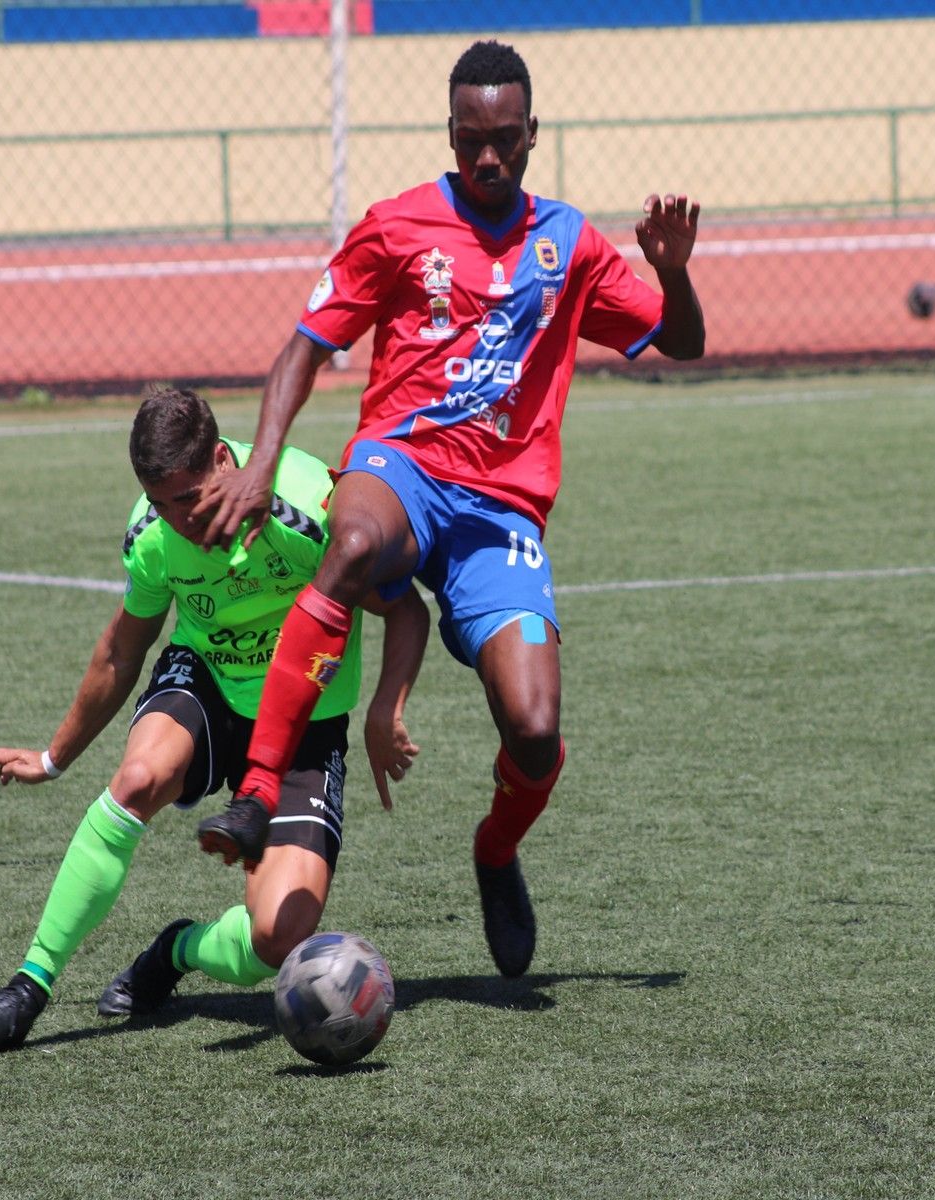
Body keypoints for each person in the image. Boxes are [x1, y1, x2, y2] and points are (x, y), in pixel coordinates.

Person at [188, 39, 705, 981]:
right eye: (473, 141)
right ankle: (259, 790)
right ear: (451, 134)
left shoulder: (572, 244)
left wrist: (671, 272)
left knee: (537, 728)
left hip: (501, 510)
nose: (489, 159)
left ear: (532, 134)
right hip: (404, 465)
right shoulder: (396, 226)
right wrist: (261, 461)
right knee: (349, 541)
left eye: (506, 140)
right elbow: (303, 349)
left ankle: (497, 850)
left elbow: (684, 342)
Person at [0, 385, 428, 1054]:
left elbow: (406, 608)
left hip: (305, 722)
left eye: (187, 499)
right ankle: (29, 985)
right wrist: (52, 757)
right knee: (140, 776)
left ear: (224, 464)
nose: (176, 519)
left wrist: (386, 709)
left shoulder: (309, 509)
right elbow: (123, 648)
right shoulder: (153, 537)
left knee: (278, 938)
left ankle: (178, 950)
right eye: (159, 503)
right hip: (205, 684)